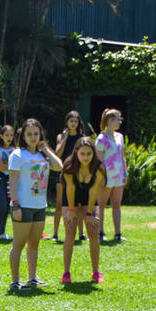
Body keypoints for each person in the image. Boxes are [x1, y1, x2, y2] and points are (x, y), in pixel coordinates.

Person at [8, 119, 62, 291]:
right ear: (23, 136)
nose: (33, 137)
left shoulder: (42, 155)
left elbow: (59, 166)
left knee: (34, 244)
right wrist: (16, 205)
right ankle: (15, 281)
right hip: (23, 205)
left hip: (40, 205)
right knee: (19, 244)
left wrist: (46, 150)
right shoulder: (17, 155)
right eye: (29, 134)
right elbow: (13, 182)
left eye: (36, 134)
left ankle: (32, 278)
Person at [61, 137, 106, 284]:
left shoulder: (99, 168)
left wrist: (89, 213)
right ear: (76, 152)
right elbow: (70, 189)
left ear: (94, 153)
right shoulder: (69, 167)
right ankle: (66, 273)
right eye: (82, 154)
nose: (85, 157)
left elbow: (94, 191)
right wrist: (71, 210)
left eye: (89, 154)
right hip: (71, 196)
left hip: (89, 196)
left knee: (93, 230)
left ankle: (96, 272)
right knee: (70, 231)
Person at [95, 109, 128, 243]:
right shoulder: (101, 139)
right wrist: (102, 177)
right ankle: (100, 232)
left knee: (116, 204)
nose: (120, 122)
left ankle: (117, 233)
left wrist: (125, 173)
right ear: (110, 120)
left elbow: (122, 156)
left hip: (118, 176)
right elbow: (99, 160)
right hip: (106, 176)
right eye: (118, 119)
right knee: (101, 205)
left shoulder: (120, 136)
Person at [53, 111, 85, 243]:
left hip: (78, 173)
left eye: (75, 121)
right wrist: (65, 138)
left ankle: (81, 233)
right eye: (71, 121)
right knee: (59, 203)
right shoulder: (60, 136)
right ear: (66, 122)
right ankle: (55, 233)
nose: (73, 123)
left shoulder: (82, 137)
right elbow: (57, 154)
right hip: (62, 172)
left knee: (79, 204)